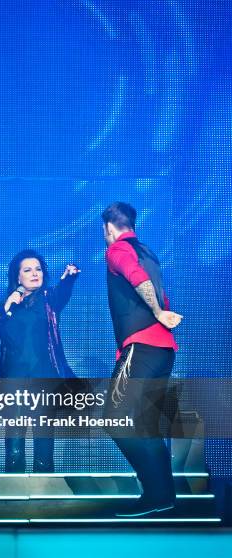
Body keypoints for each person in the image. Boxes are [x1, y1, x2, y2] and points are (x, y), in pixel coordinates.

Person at [102, 202, 183, 517]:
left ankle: (154, 490)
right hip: (163, 350)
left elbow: (138, 279)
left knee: (115, 417)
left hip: (143, 345)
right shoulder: (148, 251)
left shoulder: (117, 251)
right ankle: (163, 496)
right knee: (146, 425)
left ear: (109, 228)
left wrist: (158, 312)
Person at [0, 249, 80, 473]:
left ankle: (44, 499)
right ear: (18, 277)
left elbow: (62, 292)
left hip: (44, 381)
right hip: (13, 384)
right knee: (14, 445)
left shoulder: (48, 301)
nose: (35, 273)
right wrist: (7, 307)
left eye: (38, 269)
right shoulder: (8, 305)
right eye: (28, 270)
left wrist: (69, 279)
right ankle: (13, 497)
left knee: (44, 444)